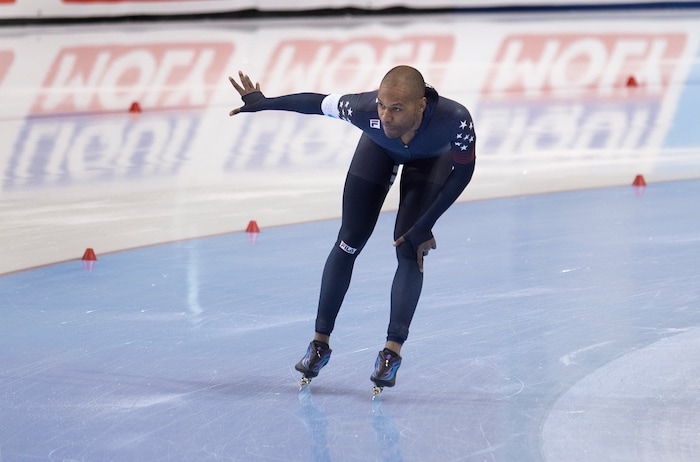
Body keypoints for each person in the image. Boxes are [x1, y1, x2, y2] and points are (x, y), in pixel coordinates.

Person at [229, 65, 476, 391]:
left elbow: (462, 173)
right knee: (349, 240)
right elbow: (315, 103)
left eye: (397, 109)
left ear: (421, 106)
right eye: (382, 106)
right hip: (378, 151)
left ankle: (391, 352)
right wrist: (264, 102)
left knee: (409, 246)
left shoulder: (455, 119)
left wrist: (425, 224)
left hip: (430, 163)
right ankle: (319, 343)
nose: (386, 116)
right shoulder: (362, 109)